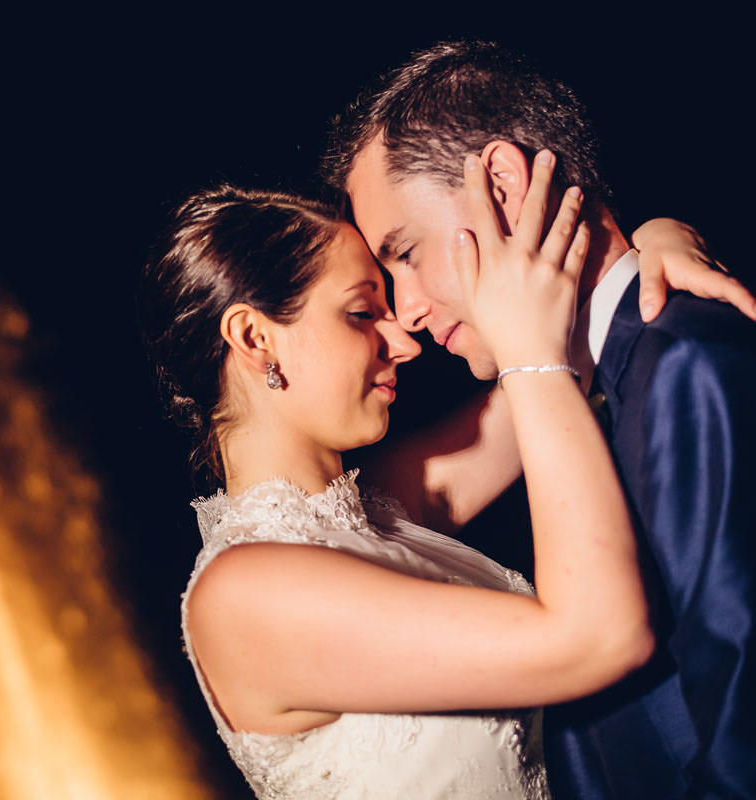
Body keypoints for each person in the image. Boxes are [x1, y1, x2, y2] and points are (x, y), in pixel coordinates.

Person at [137, 160, 741, 797]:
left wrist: (651, 242)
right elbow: (598, 638)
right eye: (362, 313)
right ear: (255, 337)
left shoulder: (384, 505)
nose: (405, 341)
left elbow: (562, 353)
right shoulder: (242, 596)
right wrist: (531, 350)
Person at [323, 40, 756, 799]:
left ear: (503, 182)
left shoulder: (687, 364)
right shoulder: (574, 389)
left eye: (408, 254)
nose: (410, 312)